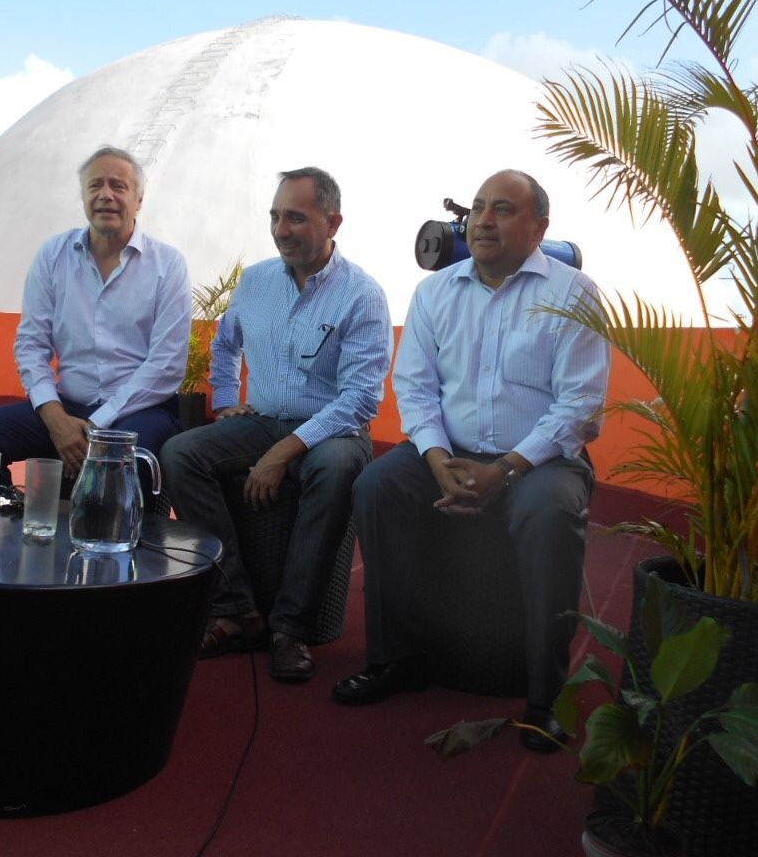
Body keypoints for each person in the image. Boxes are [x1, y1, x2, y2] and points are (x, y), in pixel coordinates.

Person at [332, 169, 611, 753]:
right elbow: (415, 389)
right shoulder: (435, 292)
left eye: (503, 209)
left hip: (541, 461)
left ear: (539, 227)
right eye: (478, 207)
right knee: (378, 486)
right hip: (447, 451)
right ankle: (396, 659)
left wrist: (506, 469)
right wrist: (437, 461)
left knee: (550, 512)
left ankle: (544, 696)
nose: (483, 221)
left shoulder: (573, 294)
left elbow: (579, 407)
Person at [161, 166, 393, 684]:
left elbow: (360, 399)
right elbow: (226, 344)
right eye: (275, 216)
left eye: (296, 218)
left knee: (334, 469)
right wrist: (226, 400)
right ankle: (236, 608)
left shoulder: (362, 295)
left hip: (333, 430)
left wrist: (286, 449)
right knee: (179, 453)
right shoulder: (257, 281)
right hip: (262, 421)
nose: (281, 230)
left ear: (333, 222)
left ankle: (291, 628)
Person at [0, 146, 190, 500]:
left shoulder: (167, 265)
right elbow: (31, 344)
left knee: (124, 461)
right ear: (83, 196)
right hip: (68, 407)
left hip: (139, 409)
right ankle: (1, 524)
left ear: (139, 200)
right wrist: (55, 418)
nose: (106, 195)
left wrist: (94, 427)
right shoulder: (53, 255)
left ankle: (115, 536)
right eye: (95, 185)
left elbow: (166, 365)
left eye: (118, 186)